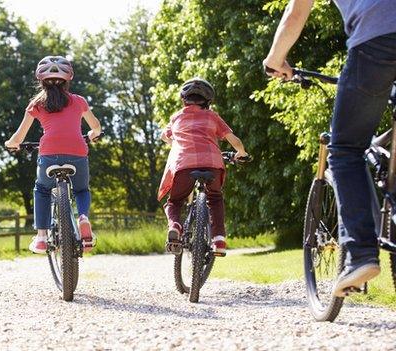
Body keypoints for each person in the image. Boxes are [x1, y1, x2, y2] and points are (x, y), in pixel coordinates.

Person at [263, 0, 396, 296]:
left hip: (377, 40)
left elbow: (295, 15)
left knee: (346, 150)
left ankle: (360, 253)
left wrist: (275, 59)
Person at [6, 56, 102, 254]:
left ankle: (41, 237)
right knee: (82, 190)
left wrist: (12, 144)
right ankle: (83, 217)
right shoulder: (79, 101)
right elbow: (96, 127)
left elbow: (19, 135)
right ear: (68, 79)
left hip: (49, 153)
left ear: (40, 80)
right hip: (77, 152)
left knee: (41, 190)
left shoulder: (37, 104)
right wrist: (93, 135)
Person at [158, 78, 248, 256]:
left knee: (175, 201)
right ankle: (219, 239)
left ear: (184, 100)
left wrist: (174, 143)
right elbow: (234, 140)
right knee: (214, 198)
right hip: (212, 164)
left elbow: (163, 135)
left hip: (183, 166)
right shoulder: (212, 116)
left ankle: (175, 225)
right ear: (208, 101)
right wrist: (242, 153)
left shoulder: (176, 117)